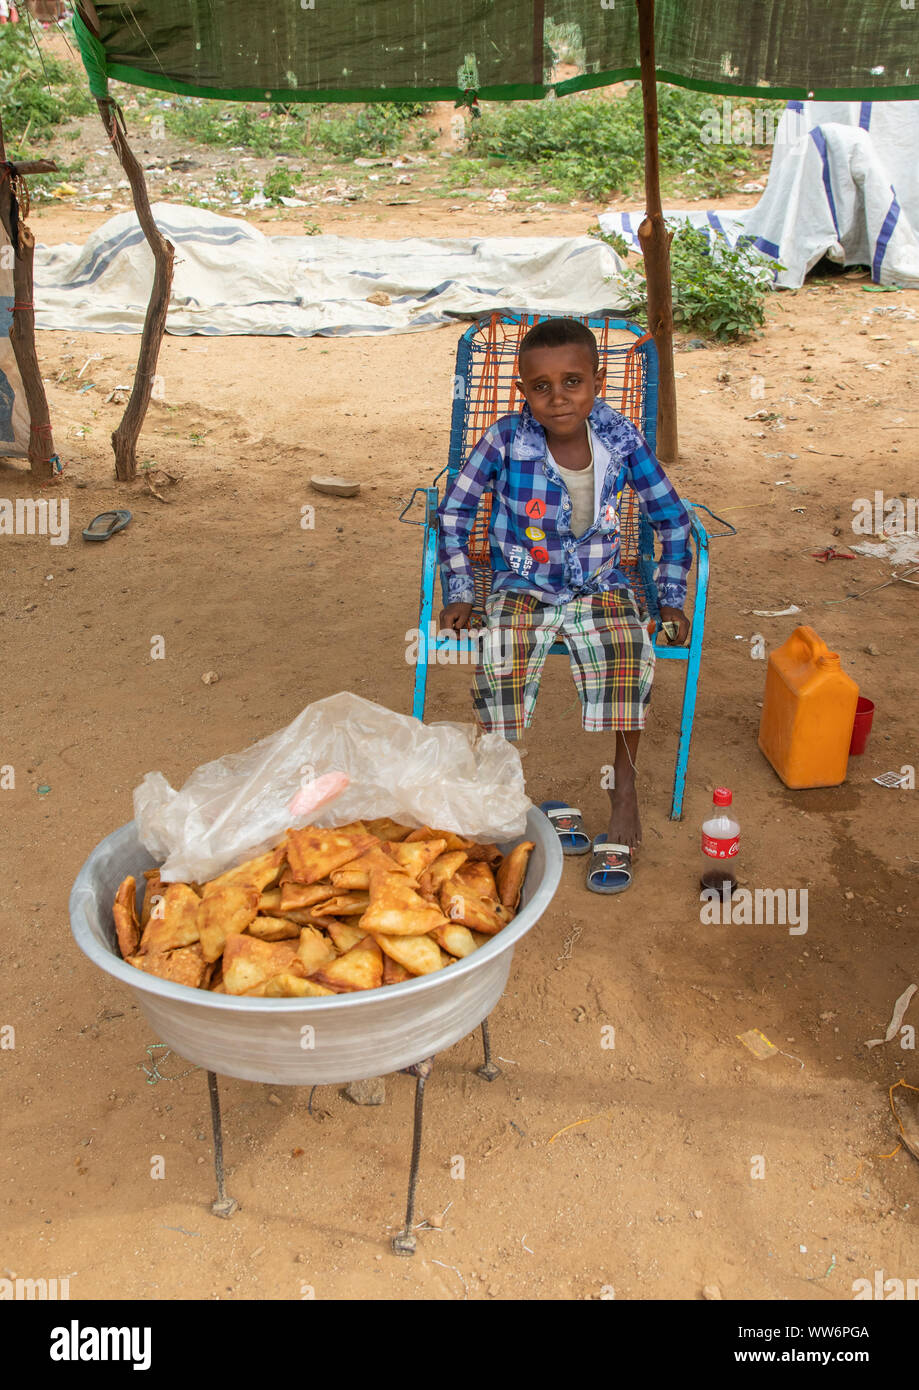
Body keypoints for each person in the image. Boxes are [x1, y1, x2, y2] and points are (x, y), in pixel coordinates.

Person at [438, 316, 692, 892]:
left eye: (573, 381)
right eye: (541, 386)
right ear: (523, 389)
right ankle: (496, 795)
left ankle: (622, 791)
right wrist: (459, 591)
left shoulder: (621, 438)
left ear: (597, 382)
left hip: (601, 584)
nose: (558, 398)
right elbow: (453, 514)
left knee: (630, 655)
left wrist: (670, 598)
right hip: (521, 586)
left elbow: (671, 518)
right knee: (498, 660)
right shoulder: (504, 439)